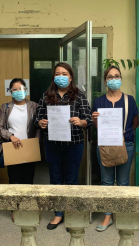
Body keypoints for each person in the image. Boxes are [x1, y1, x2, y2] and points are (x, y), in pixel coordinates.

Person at [34, 62, 92, 230]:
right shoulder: (46, 96)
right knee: (55, 179)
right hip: (52, 144)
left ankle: (72, 214)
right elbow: (37, 118)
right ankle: (58, 214)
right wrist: (41, 122)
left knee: (72, 180)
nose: (61, 77)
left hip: (74, 144)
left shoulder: (79, 96)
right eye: (57, 74)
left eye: (64, 74)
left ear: (70, 77)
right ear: (53, 77)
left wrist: (80, 121)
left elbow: (88, 119)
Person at [91, 66, 139, 231]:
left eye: (116, 76)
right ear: (105, 81)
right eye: (110, 77)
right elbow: (97, 126)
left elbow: (135, 123)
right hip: (105, 145)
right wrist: (95, 119)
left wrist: (124, 135)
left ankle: (123, 214)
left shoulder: (129, 100)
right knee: (106, 182)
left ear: (121, 79)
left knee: (124, 182)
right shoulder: (99, 101)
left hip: (126, 144)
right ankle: (107, 216)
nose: (113, 79)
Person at [0, 78, 39, 184]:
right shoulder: (5, 107)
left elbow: (39, 127)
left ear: (26, 90)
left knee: (28, 180)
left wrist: (36, 142)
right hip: (12, 147)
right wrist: (11, 136)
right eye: (15, 89)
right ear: (10, 92)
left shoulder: (35, 106)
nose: (18, 91)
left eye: (21, 88)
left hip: (29, 148)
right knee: (14, 180)